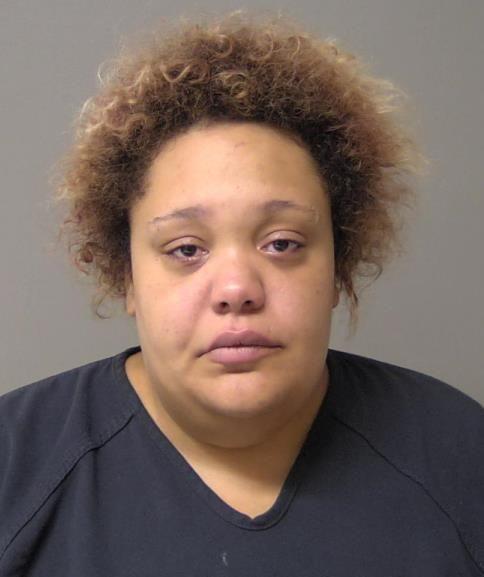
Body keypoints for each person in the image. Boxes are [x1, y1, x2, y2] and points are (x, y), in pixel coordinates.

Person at [1, 10, 483, 577]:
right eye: (186, 249)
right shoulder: (13, 464)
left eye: (281, 243)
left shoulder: (458, 452)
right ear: (126, 275)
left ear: (339, 268)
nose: (236, 289)